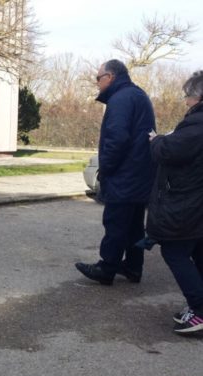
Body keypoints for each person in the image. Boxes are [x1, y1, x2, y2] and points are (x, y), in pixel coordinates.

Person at [75, 59, 156, 285]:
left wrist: (106, 169)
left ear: (110, 77)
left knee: (116, 222)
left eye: (98, 78)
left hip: (125, 175)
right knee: (133, 225)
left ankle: (107, 267)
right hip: (139, 174)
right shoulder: (138, 95)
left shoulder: (120, 100)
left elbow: (117, 139)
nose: (97, 83)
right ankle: (133, 267)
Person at [146, 71, 203, 334]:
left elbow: (168, 152)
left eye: (187, 97)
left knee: (175, 252)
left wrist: (157, 140)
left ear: (198, 97)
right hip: (195, 202)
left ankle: (200, 311)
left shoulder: (197, 125)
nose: (185, 102)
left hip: (187, 202)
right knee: (197, 252)